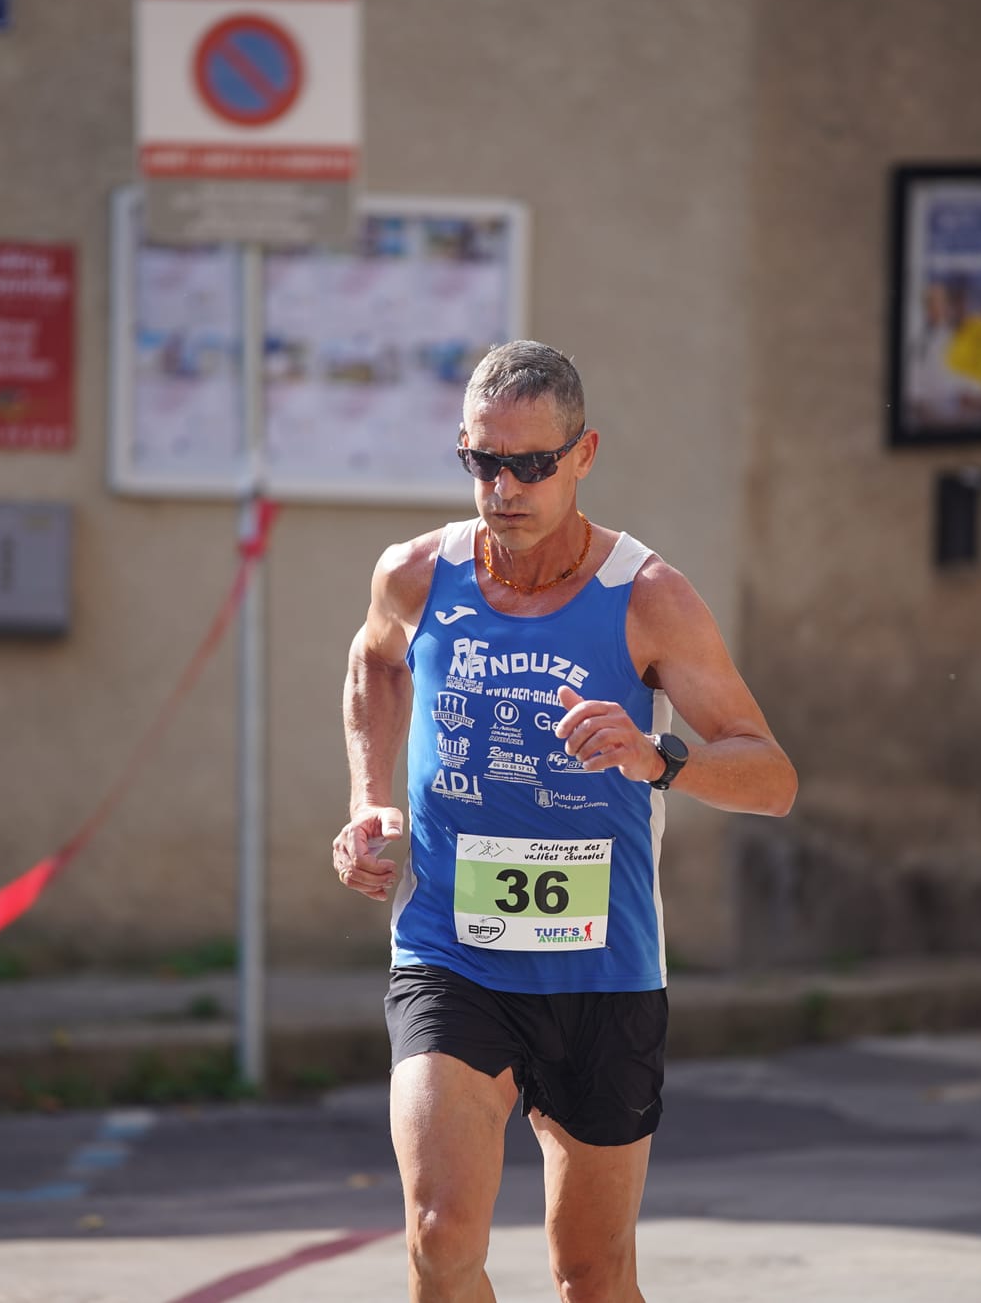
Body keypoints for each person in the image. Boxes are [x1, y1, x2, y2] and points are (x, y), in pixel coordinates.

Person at [332, 341, 797, 1301]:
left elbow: (772, 776)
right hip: (448, 948)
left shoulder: (650, 599)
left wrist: (659, 756)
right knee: (439, 1231)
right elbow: (376, 663)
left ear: (583, 456)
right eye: (483, 461)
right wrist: (370, 799)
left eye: (532, 464)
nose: (504, 487)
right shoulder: (417, 576)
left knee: (589, 1271)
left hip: (603, 967)